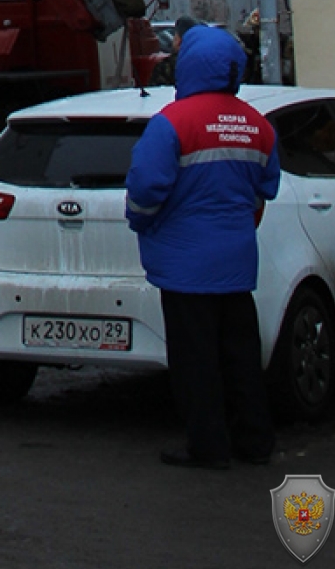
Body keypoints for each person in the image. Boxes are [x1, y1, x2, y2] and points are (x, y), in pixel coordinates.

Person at [125, 25, 281, 469]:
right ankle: (255, 440)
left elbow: (145, 190)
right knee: (240, 357)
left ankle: (208, 445)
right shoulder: (257, 125)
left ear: (189, 66)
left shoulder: (172, 123)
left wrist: (141, 222)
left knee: (196, 361)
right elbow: (264, 188)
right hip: (235, 260)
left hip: (185, 264)